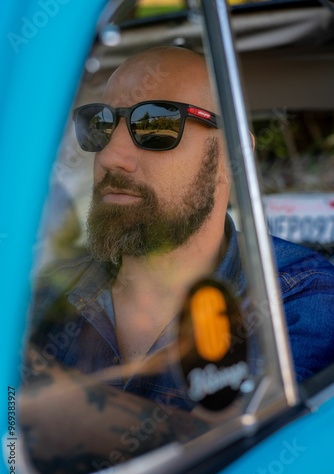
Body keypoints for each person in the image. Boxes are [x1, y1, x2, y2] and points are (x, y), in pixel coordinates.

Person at [26, 46, 334, 411]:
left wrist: (61, 413)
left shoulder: (296, 298)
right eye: (101, 125)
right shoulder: (42, 299)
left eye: (156, 125)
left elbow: (261, 451)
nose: (110, 156)